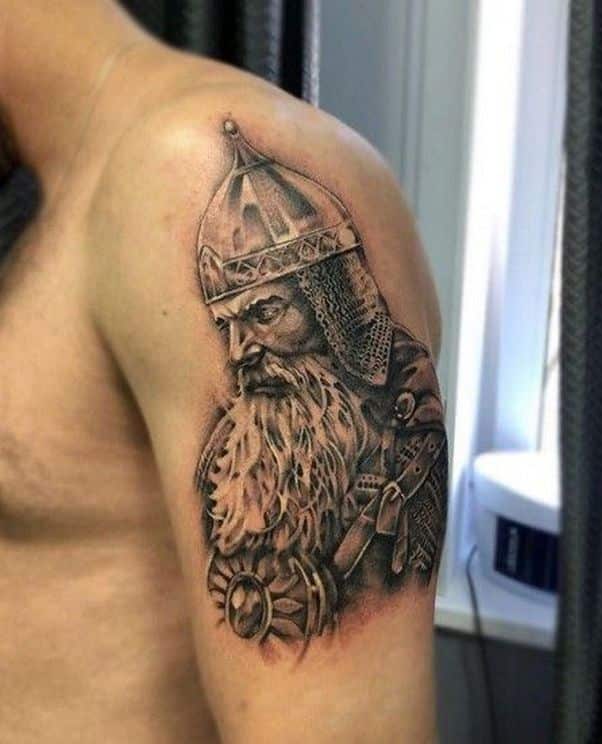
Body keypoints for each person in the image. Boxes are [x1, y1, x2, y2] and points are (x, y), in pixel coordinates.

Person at [0, 1, 447, 742]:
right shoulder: (48, 204)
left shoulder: (179, 167)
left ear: (332, 305)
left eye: (265, 314)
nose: (237, 354)